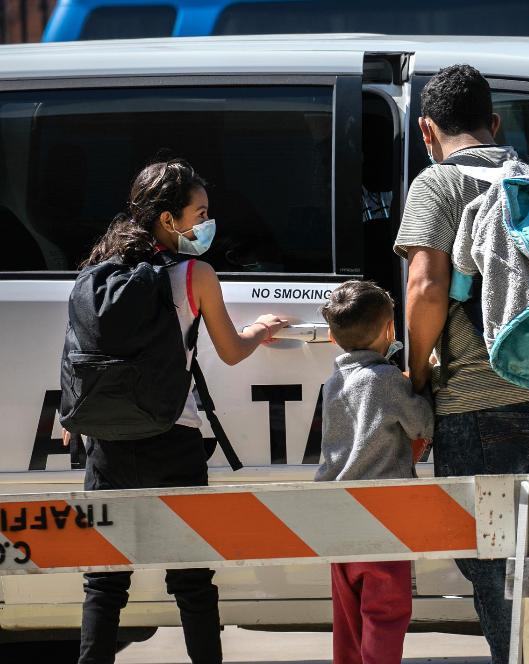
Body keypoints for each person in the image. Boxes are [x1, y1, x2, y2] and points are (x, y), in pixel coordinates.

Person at [63, 159, 286, 664]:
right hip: (174, 433)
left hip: (107, 440)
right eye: (200, 212)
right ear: (169, 220)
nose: (207, 223)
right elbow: (230, 350)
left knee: (104, 580)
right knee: (190, 579)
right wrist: (263, 329)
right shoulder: (195, 274)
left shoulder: (98, 272)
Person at [393, 64, 529, 663]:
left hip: (477, 399)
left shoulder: (437, 185)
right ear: (494, 123)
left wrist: (417, 375)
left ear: (426, 129)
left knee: (494, 555)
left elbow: (424, 287)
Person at [314, 280, 434, 664]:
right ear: (390, 330)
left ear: (333, 338)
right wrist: (428, 379)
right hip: (384, 515)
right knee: (385, 613)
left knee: (348, 620)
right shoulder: (385, 379)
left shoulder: (333, 383)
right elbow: (422, 425)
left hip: (337, 513)